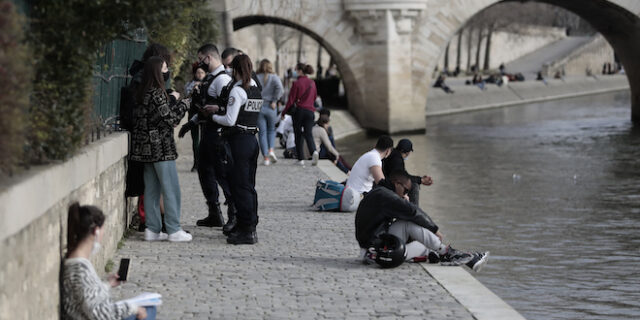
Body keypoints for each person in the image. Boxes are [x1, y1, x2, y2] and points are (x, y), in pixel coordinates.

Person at [356, 171, 489, 271]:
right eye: (406, 190)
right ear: (397, 183)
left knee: (422, 241)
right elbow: (413, 212)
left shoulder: (379, 192)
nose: (406, 194)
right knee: (414, 232)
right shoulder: (387, 197)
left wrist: (402, 200)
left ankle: (463, 257)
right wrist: (434, 229)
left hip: (373, 247)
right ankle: (451, 253)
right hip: (379, 252)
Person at [130, 56, 191, 242]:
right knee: (171, 188)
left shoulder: (141, 92)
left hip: (144, 149)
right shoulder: (156, 93)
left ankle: (152, 228)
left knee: (151, 189)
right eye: (165, 68)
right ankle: (173, 229)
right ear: (157, 71)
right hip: (160, 149)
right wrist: (184, 104)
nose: (167, 72)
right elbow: (170, 119)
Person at [62, 202, 157, 319]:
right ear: (96, 231)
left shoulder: (78, 261)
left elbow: (89, 297)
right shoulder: (79, 268)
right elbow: (99, 313)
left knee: (148, 308)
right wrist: (132, 307)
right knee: (148, 310)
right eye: (102, 231)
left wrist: (108, 285)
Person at [204, 55, 261, 245]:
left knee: (239, 186)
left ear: (235, 70)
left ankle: (247, 230)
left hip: (239, 142)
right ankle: (249, 224)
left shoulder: (238, 90)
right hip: (252, 140)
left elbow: (229, 120)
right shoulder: (255, 88)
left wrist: (213, 117)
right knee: (249, 186)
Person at [179, 44, 236, 232]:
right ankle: (214, 213)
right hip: (208, 132)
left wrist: (213, 113)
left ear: (209, 58)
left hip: (219, 134)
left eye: (201, 59)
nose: (199, 63)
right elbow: (205, 106)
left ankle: (233, 216)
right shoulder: (211, 79)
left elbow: (227, 107)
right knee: (205, 172)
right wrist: (192, 123)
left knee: (222, 174)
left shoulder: (222, 80)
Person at [281, 63, 318, 166]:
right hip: (310, 111)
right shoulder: (312, 83)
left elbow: (291, 100)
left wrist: (284, 112)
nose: (295, 72)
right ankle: (314, 151)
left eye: (296, 70)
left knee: (298, 134)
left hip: (299, 111)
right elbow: (314, 97)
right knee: (308, 133)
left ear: (300, 71)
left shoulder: (296, 83)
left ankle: (300, 159)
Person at [382, 139, 432, 205]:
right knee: (414, 186)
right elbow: (403, 177)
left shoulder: (393, 154)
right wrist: (420, 180)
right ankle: (414, 210)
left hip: (385, 182)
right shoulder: (397, 160)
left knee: (413, 183)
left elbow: (404, 175)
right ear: (408, 152)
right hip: (389, 185)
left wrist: (420, 179)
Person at [256, 59, 284, 166]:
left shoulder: (257, 77)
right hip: (271, 107)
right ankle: (271, 150)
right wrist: (274, 100)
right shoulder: (274, 77)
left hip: (259, 106)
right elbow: (280, 89)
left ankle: (266, 158)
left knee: (262, 133)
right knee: (271, 130)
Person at [184, 64, 207, 172]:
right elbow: (187, 98)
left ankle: (203, 162)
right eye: (198, 73)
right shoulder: (190, 84)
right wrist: (193, 89)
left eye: (202, 73)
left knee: (204, 139)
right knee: (195, 139)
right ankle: (196, 162)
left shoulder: (208, 84)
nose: (200, 75)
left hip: (204, 113)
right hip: (193, 113)